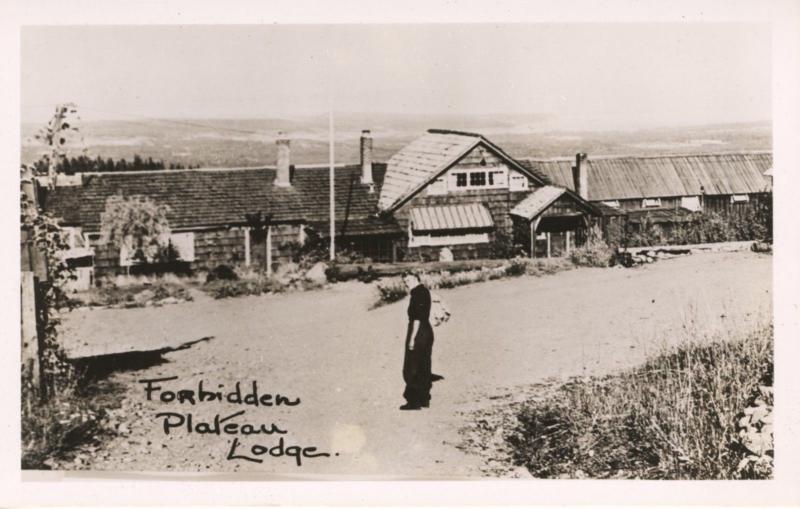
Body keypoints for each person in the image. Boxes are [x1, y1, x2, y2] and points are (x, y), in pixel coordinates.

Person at [400, 272, 435, 410]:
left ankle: (413, 401)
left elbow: (417, 318)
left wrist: (412, 339)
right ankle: (424, 399)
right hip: (427, 331)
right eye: (405, 281)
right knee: (424, 365)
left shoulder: (416, 294)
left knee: (412, 367)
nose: (406, 283)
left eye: (408, 280)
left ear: (415, 279)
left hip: (418, 332)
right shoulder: (425, 291)